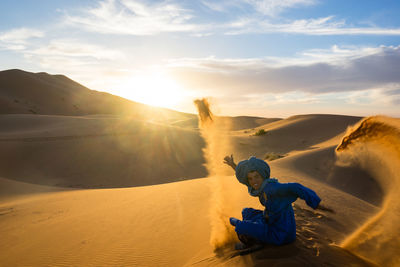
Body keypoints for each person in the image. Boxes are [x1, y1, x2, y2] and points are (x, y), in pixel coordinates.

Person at [223, 155, 334, 250]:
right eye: (251, 178)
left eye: (257, 177)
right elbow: (247, 181)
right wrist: (234, 165)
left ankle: (255, 243)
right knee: (247, 212)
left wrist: (316, 203)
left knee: (240, 225)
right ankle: (257, 237)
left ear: (263, 175)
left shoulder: (271, 188)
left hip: (281, 233)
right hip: (271, 222)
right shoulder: (260, 188)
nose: (254, 181)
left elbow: (295, 187)